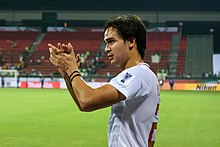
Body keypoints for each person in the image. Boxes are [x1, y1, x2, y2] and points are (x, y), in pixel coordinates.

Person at [48, 14, 160, 147]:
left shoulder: (138, 73)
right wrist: (66, 73)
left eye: (111, 41)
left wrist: (72, 69)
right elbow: (82, 104)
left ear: (131, 41)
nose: (106, 48)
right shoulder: (142, 74)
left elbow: (87, 101)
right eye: (106, 43)